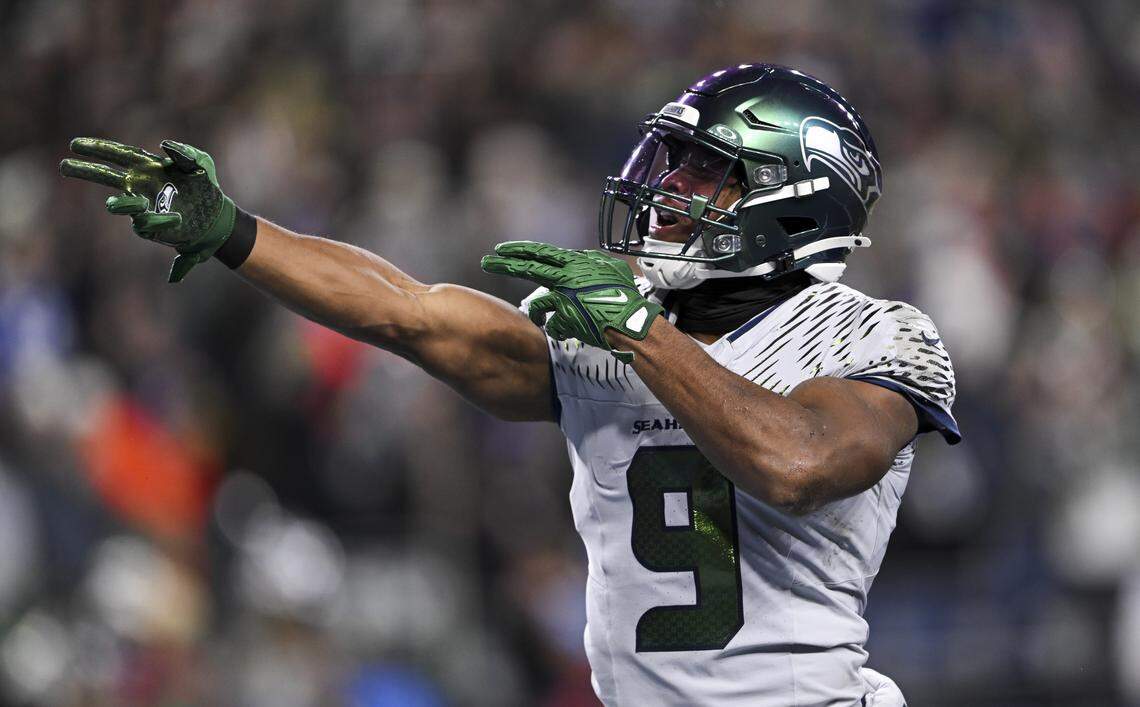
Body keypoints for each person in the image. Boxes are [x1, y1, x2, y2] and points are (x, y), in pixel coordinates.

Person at [60, 63, 958, 707]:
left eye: (704, 175)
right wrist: (234, 232)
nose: (666, 192)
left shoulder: (880, 335)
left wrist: (640, 333)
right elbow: (409, 313)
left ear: (796, 197)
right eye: (669, 165)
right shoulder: (621, 326)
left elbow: (798, 461)